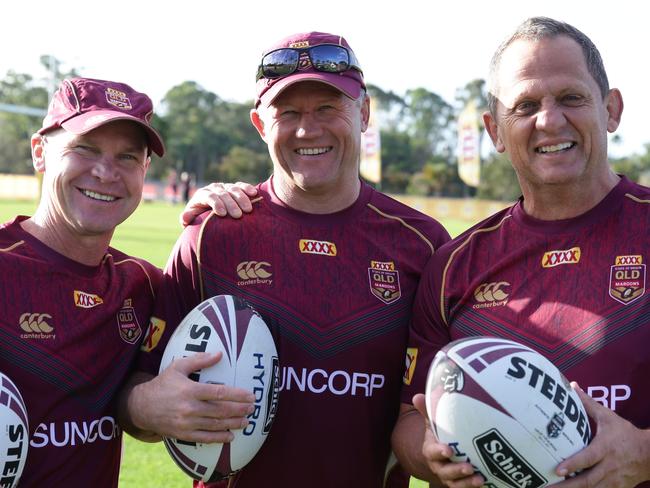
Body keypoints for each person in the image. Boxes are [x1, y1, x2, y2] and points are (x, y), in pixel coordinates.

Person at [118, 31, 451, 487]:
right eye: (288, 112)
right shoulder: (212, 235)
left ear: (365, 114)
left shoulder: (423, 245)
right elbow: (137, 394)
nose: (307, 129)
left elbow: (432, 418)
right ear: (260, 124)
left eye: (328, 109)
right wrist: (145, 405)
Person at [392, 16, 650, 488]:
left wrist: (643, 454)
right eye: (525, 105)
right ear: (494, 130)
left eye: (571, 98)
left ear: (611, 110)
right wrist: (430, 455)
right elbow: (408, 420)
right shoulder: (453, 268)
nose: (549, 121)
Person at [0, 77, 166, 487]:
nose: (106, 172)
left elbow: (151, 421)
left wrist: (222, 209)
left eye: (128, 157)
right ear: (40, 153)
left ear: (144, 170)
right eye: (85, 149)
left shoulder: (143, 286)